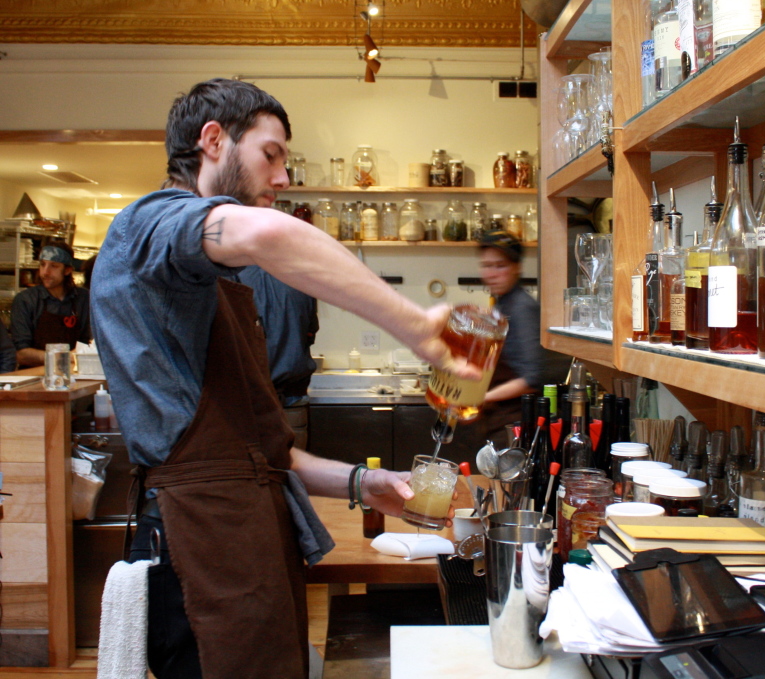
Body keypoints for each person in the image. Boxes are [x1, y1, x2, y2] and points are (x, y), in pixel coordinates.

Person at [90, 78, 476, 679]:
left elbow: (257, 456)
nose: (283, 178)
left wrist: (360, 483)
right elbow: (270, 234)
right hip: (200, 548)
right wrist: (421, 330)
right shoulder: (151, 223)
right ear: (212, 141)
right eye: (270, 155)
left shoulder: (199, 277)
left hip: (241, 538)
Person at [472, 229, 570, 445]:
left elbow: (532, 378)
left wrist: (482, 398)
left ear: (517, 268)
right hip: (500, 423)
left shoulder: (522, 308)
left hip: (517, 427)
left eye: (500, 265)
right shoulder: (502, 305)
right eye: (487, 266)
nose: (492, 273)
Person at [234, 265, 318, 449]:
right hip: (292, 399)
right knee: (294, 472)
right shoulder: (301, 277)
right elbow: (310, 332)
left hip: (248, 403)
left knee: (255, 474)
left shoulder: (231, 278)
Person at [10, 241, 91, 368]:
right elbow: (21, 353)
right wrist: (62, 357)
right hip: (33, 375)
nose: (45, 272)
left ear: (67, 270)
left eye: (54, 266)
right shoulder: (26, 300)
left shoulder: (83, 298)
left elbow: (89, 342)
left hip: (75, 372)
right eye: (42, 265)